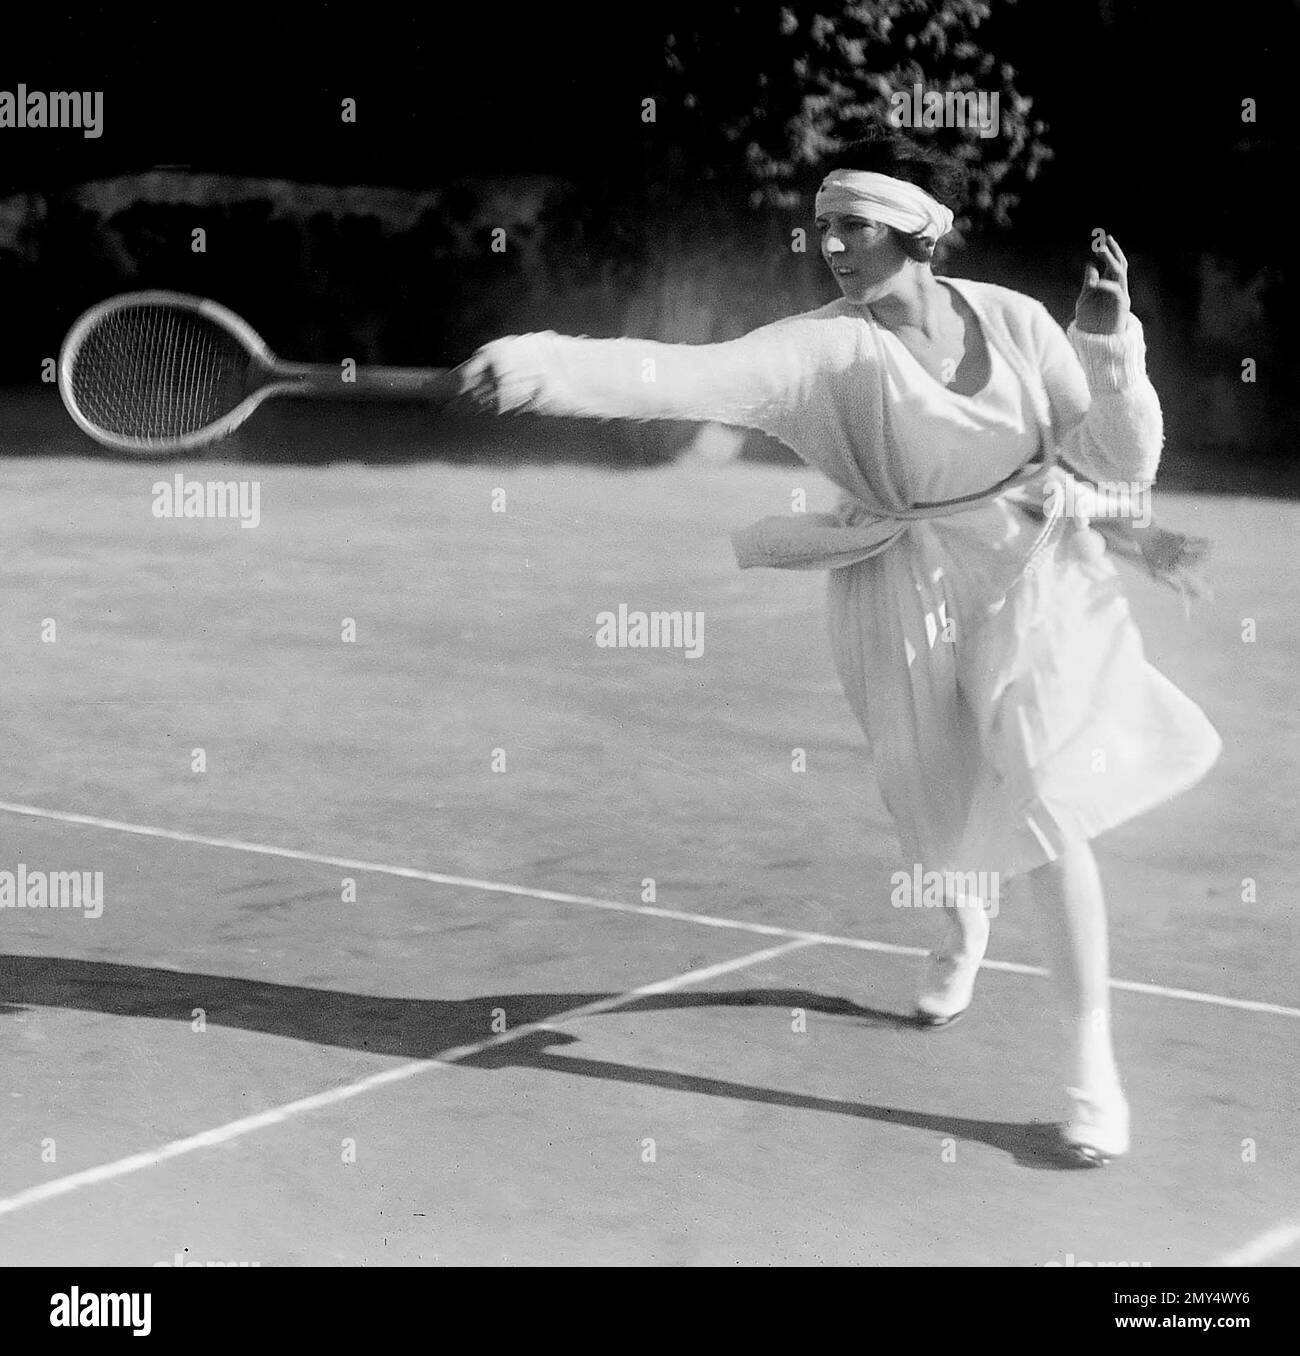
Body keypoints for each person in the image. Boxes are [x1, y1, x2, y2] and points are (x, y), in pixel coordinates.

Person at [449, 129, 1221, 1166]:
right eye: (823, 227)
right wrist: (542, 367)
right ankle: (960, 928)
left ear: (921, 230)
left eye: (853, 225)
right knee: (936, 807)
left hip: (1037, 576)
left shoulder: (1018, 320)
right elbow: (679, 374)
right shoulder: (823, 348)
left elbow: (1117, 460)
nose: (831, 245)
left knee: (1047, 807)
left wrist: (1105, 341)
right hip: (899, 587)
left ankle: (1093, 1079)